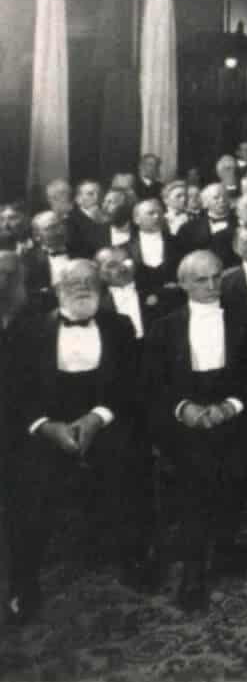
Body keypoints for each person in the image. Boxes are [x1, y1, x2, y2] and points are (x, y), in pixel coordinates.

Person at [6, 261, 150, 622]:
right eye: (73, 283)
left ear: (101, 289)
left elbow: (130, 385)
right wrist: (45, 426)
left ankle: (133, 557)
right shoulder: (28, 330)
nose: (83, 288)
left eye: (90, 282)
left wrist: (97, 417)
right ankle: (24, 581)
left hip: (104, 419)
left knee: (129, 461)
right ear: (56, 290)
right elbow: (13, 392)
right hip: (47, 427)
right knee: (28, 483)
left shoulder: (120, 326)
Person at [143, 249, 247, 610]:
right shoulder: (164, 327)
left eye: (217, 277)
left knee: (234, 459)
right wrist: (184, 409)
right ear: (183, 283)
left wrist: (231, 406)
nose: (212, 285)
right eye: (202, 279)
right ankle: (194, 567)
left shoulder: (244, 319)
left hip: (237, 410)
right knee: (195, 466)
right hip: (184, 415)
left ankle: (226, 543)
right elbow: (154, 385)